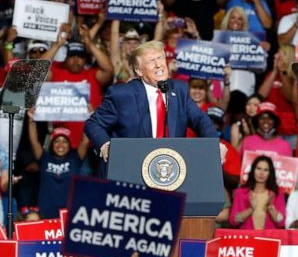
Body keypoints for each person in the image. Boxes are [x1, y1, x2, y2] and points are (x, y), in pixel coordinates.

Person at [85, 41, 216, 164]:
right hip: (132, 166)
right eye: (151, 61)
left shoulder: (179, 90)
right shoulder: (122, 94)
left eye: (160, 58)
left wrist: (213, 145)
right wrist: (105, 145)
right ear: (139, 71)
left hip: (170, 169)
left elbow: (200, 120)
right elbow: (93, 123)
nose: (159, 65)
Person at [26, 122, 87, 220]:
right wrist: (32, 120)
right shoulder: (44, 158)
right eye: (57, 141)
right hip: (45, 213)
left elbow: (85, 141)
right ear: (52, 144)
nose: (60, 145)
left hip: (69, 212)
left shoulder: (75, 158)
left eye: (65, 141)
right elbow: (34, 141)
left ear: (70, 144)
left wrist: (90, 117)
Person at [229, 155, 287, 230]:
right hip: (247, 239)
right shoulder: (240, 193)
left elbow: (281, 222)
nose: (261, 173)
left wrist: (271, 208)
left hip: (269, 239)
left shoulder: (277, 193)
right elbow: (233, 221)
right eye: (258, 168)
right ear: (253, 170)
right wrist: (250, 209)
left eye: (266, 170)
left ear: (270, 173)